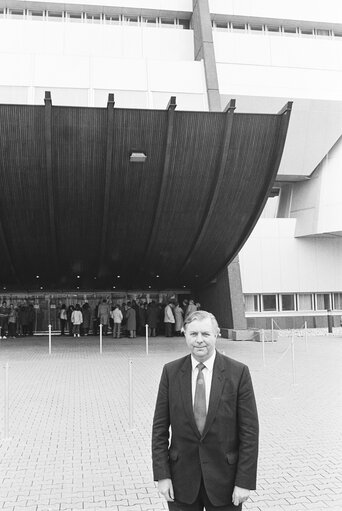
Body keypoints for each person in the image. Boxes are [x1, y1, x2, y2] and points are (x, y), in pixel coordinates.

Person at [152, 310, 259, 511]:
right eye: (193, 334)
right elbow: (159, 429)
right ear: (184, 334)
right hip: (181, 482)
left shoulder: (238, 373)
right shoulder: (171, 372)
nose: (199, 340)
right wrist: (162, 475)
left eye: (205, 334)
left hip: (225, 483)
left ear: (216, 334)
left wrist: (244, 481)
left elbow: (250, 433)